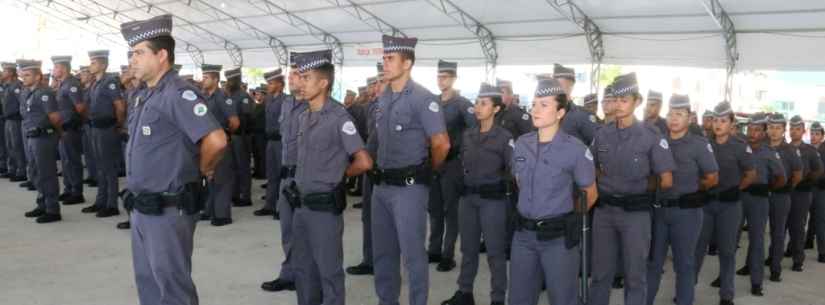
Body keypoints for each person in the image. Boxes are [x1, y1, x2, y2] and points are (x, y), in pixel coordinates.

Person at [120, 14, 228, 305]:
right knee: (149, 284)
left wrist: (202, 169)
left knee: (172, 287)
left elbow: (217, 140)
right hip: (143, 206)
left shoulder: (178, 94)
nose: (133, 60)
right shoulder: (145, 94)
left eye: (140, 52)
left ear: (162, 55)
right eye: (132, 54)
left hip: (168, 208)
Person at [370, 34, 450, 305]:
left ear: (407, 64)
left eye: (390, 59)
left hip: (409, 188)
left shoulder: (423, 98)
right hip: (381, 186)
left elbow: (442, 144)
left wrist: (428, 171)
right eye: (384, 58)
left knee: (413, 254)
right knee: (383, 253)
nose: (385, 64)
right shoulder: (383, 99)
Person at [289, 48, 373, 305]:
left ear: (323, 83)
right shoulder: (303, 116)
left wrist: (338, 174)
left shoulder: (339, 118)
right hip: (301, 205)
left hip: (324, 209)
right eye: (300, 78)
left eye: (306, 78)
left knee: (329, 272)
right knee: (303, 270)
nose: (300, 84)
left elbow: (364, 161)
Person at [507, 78, 598, 305]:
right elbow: (519, 182)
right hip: (523, 236)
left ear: (560, 112)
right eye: (535, 103)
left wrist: (566, 220)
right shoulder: (521, 144)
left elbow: (590, 193)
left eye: (544, 104)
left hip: (557, 239)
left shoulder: (576, 149)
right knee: (519, 298)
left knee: (563, 299)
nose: (536, 109)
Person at [589, 73, 676, 305]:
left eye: (624, 100)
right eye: (614, 99)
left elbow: (666, 179)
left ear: (637, 101)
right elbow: (594, 168)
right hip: (605, 212)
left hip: (635, 214)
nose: (618, 105)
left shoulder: (650, 136)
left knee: (635, 276)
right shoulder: (602, 134)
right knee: (599, 275)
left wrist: (639, 185)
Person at [440, 83, 512, 305]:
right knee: (468, 249)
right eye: (477, 103)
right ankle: (465, 293)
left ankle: (498, 299)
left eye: (483, 104)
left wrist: (504, 188)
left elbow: (515, 170)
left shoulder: (504, 137)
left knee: (495, 253)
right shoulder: (468, 134)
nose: (477, 107)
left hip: (493, 201)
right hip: (468, 199)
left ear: (496, 108)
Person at [646, 94, 719, 305]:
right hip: (660, 211)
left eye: (679, 114)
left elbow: (713, 177)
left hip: (686, 213)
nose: (674, 118)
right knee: (653, 263)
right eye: (670, 114)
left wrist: (696, 189)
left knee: (684, 264)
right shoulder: (658, 142)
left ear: (690, 118)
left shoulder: (698, 144)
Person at [694, 102, 755, 305]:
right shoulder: (703, 143)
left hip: (730, 206)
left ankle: (727, 295)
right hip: (706, 204)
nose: (718, 124)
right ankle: (686, 288)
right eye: (716, 120)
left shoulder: (739, 146)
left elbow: (750, 175)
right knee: (697, 248)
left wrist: (736, 190)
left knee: (727, 251)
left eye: (723, 121)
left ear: (731, 124)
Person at [260, 54, 305, 293]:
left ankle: (307, 276)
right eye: (290, 74)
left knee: (306, 232)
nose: (291, 78)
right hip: (287, 176)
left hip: (306, 177)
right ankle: (289, 274)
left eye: (296, 74)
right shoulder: (287, 103)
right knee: (287, 229)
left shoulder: (315, 106)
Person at [427, 59, 476, 272]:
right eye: (439, 76)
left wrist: (465, 158)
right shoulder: (432, 101)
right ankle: (434, 249)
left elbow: (474, 132)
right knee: (434, 209)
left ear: (454, 78)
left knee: (451, 211)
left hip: (453, 163)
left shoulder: (463, 104)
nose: (441, 80)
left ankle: (448, 254)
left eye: (445, 77)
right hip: (434, 162)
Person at [735, 113, 785, 297]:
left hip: (759, 200)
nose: (752, 133)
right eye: (750, 129)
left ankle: (756, 282)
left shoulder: (769, 153)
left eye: (757, 130)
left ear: (764, 133)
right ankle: (723, 278)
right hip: (739, 197)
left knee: (756, 240)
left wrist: (767, 188)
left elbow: (781, 178)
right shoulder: (740, 149)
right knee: (731, 238)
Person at [81, 49, 125, 218]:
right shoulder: (95, 83)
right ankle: (101, 201)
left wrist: (118, 125)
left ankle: (111, 204)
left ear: (103, 65)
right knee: (100, 167)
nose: (90, 66)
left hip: (107, 128)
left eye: (93, 63)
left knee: (109, 167)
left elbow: (120, 106)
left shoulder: (110, 82)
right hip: (95, 128)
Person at [18, 59, 63, 223]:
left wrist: (57, 134)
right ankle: (42, 203)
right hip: (31, 136)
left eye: (28, 75)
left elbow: (55, 117)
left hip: (43, 137)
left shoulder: (44, 93)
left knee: (47, 173)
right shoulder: (27, 92)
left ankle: (52, 209)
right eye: (23, 75)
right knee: (36, 172)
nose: (24, 78)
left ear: (38, 77)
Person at [764, 113, 802, 282]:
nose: (774, 131)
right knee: (757, 234)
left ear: (783, 130)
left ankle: (775, 269)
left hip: (780, 196)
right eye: (771, 127)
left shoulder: (790, 150)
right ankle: (752, 265)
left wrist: (786, 188)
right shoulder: (761, 147)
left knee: (778, 233)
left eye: (778, 128)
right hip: (761, 195)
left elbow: (797, 175)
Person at [200, 64, 239, 227]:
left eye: (206, 77)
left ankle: (223, 214)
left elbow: (234, 122)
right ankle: (210, 210)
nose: (203, 80)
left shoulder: (222, 97)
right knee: (210, 177)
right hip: (207, 142)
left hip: (220, 142)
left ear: (215, 79)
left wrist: (224, 134)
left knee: (222, 178)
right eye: (203, 77)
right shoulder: (205, 97)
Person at [785, 115, 823, 271]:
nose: (794, 132)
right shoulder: (784, 148)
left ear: (803, 131)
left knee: (798, 227)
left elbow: (819, 170)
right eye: (792, 129)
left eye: (798, 129)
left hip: (802, 192)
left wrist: (808, 180)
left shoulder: (810, 151)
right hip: (785, 192)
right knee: (781, 226)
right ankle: (776, 255)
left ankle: (798, 259)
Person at [51, 55, 87, 206]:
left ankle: (77, 192)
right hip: (62, 129)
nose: (53, 71)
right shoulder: (62, 84)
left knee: (73, 160)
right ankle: (68, 188)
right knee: (65, 161)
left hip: (70, 128)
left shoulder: (72, 84)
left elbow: (80, 107)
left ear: (64, 68)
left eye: (55, 67)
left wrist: (77, 123)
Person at [255, 68, 286, 217]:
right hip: (270, 142)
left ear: (280, 84)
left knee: (283, 175)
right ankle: (270, 205)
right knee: (272, 175)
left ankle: (282, 207)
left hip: (281, 141)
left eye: (271, 83)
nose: (268, 86)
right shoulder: (269, 100)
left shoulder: (285, 100)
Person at [224, 67, 253, 207]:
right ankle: (235, 194)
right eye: (227, 80)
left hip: (241, 136)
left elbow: (247, 118)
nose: (228, 83)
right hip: (232, 136)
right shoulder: (229, 96)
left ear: (236, 80)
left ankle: (245, 196)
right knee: (233, 167)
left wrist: (239, 132)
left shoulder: (243, 96)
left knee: (243, 167)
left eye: (230, 80)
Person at [555, 63, 597, 144]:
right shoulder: (548, 113)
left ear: (571, 86)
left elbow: (596, 146)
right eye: (555, 84)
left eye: (560, 85)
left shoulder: (582, 116)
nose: (556, 89)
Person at [1, 61, 28, 183]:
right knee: (10, 145)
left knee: (17, 146)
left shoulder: (17, 85)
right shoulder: (7, 86)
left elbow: (22, 102)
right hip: (7, 119)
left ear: (11, 72)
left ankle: (21, 170)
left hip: (15, 119)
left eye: (5, 70)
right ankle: (12, 169)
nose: (3, 72)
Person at [808, 121, 825, 263]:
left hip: (821, 189)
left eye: (817, 134)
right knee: (800, 220)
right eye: (812, 134)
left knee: (820, 220)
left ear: (822, 136)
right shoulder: (806, 149)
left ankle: (822, 251)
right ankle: (805, 242)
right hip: (806, 188)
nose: (814, 137)